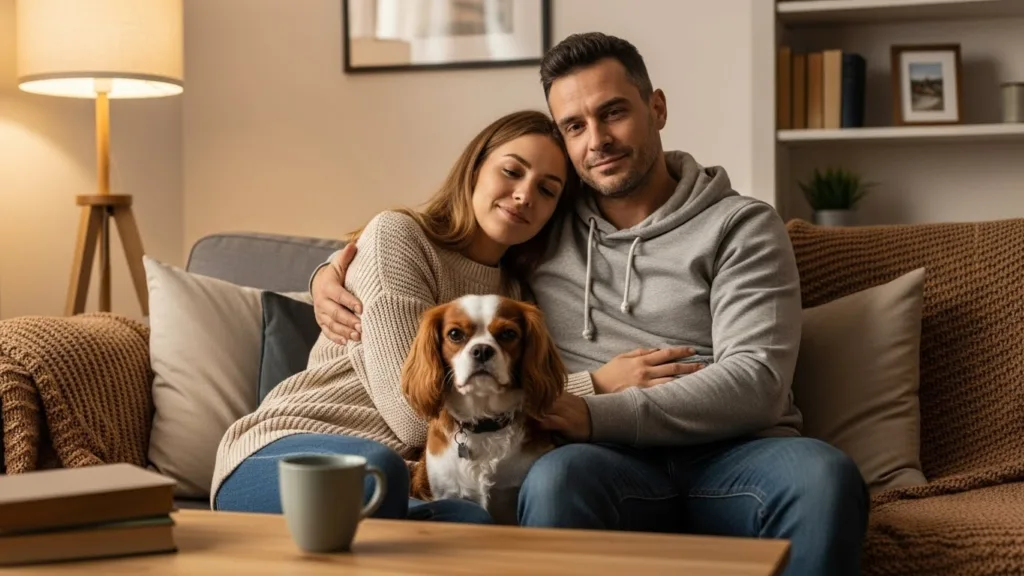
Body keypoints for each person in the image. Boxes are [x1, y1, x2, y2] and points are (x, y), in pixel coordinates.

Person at [311, 33, 870, 575]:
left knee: (824, 477)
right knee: (555, 481)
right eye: (574, 126)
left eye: (614, 113)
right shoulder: (543, 225)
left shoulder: (741, 225)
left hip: (734, 453)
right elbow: (448, 244)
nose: (595, 139)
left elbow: (758, 380)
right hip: (600, 461)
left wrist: (594, 412)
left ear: (657, 108)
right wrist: (328, 272)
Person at [211, 110, 597, 523]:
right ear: (474, 169)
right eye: (511, 171)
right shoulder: (399, 235)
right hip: (287, 447)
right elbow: (414, 421)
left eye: (547, 190)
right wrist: (597, 384)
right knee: (376, 472)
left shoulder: (516, 298)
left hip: (404, 479)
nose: (524, 196)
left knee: (471, 523)